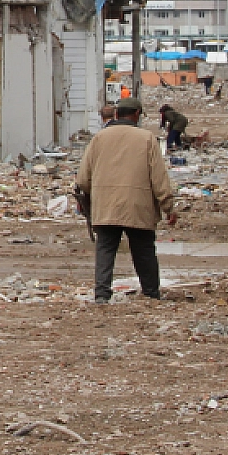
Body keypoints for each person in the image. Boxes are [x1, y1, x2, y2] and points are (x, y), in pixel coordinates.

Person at [75, 98, 176, 304]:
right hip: (138, 205)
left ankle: (102, 294)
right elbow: (159, 178)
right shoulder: (147, 139)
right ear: (137, 113)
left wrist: (86, 199)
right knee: (144, 250)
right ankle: (150, 293)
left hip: (105, 204)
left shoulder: (99, 138)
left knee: (105, 249)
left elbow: (84, 178)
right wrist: (168, 206)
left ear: (116, 114)